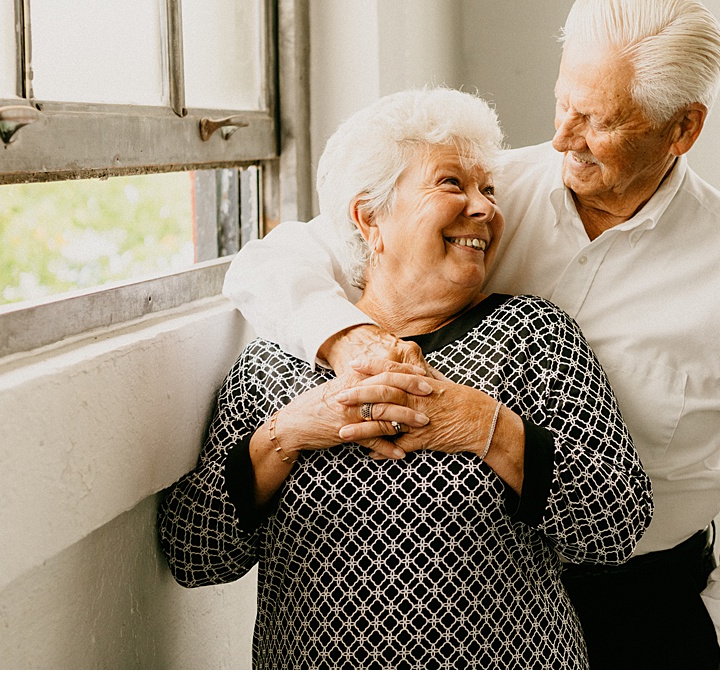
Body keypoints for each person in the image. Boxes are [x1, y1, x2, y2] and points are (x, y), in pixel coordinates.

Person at [222, 0, 720, 669]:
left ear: (683, 128)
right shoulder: (490, 195)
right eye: (562, 103)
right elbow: (272, 260)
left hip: (641, 599)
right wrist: (348, 339)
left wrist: (708, 626)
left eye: (598, 121)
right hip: (490, 597)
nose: (561, 137)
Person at [159, 87, 653, 669]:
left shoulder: (534, 338)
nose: (485, 209)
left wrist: (483, 426)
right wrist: (286, 435)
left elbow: (617, 525)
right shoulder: (272, 369)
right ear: (371, 219)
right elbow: (195, 554)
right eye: (452, 184)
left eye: (488, 190)